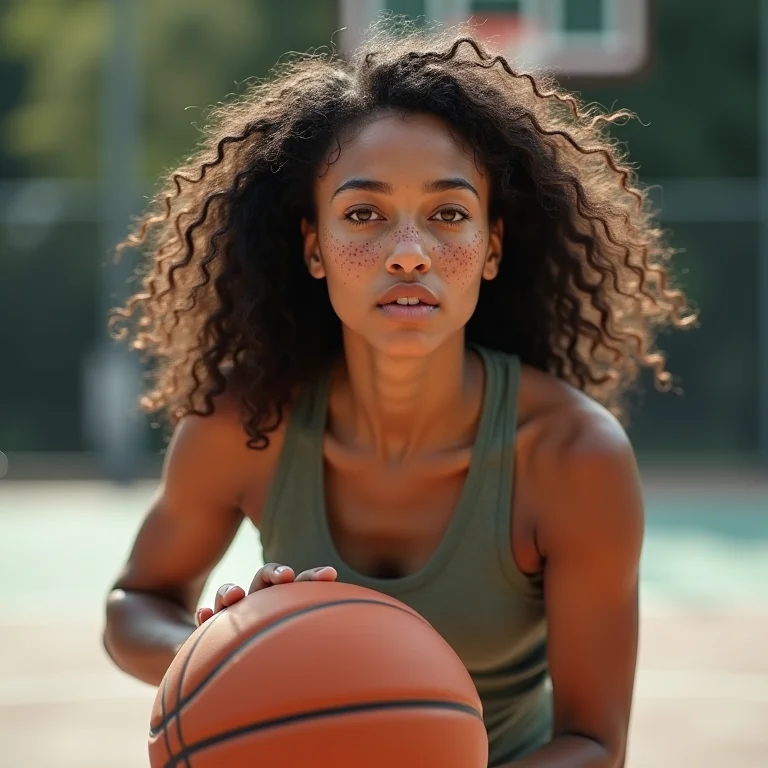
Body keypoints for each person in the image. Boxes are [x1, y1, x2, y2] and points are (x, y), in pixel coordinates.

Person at [102, 22, 693, 768]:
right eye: (364, 215)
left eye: (448, 215)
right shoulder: (246, 425)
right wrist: (230, 652)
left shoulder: (572, 456)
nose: (410, 253)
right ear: (314, 247)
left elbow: (595, 743)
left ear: (491, 247)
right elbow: (135, 605)